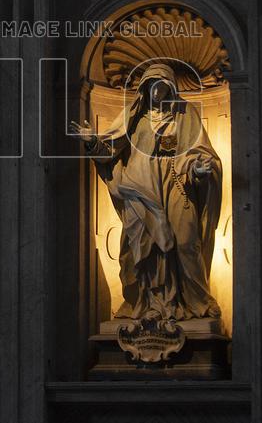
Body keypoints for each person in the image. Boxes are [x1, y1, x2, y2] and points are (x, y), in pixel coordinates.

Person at [70, 62, 222, 320]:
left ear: (171, 88)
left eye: (162, 86)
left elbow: (201, 153)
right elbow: (110, 151)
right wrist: (93, 141)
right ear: (144, 87)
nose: (156, 91)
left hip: (177, 183)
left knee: (186, 242)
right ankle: (144, 304)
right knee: (137, 248)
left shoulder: (185, 115)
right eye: (152, 85)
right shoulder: (134, 116)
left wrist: (199, 170)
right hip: (139, 187)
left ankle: (197, 303)